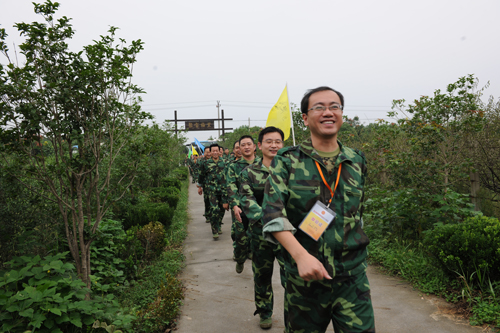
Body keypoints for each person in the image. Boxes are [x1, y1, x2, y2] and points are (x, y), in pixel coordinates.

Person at [261, 87, 375, 333]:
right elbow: (272, 215)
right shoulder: (287, 161)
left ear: (342, 114)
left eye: (335, 106)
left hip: (352, 279)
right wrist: (301, 257)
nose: (328, 112)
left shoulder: (357, 161)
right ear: (304, 118)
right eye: (319, 107)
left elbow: (358, 216)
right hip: (305, 281)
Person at [238, 127, 287, 330]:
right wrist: (269, 222)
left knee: (292, 279)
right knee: (262, 276)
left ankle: (294, 317)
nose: (273, 145)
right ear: (260, 145)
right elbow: (247, 201)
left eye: (277, 141)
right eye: (269, 141)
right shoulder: (248, 172)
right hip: (261, 234)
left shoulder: (290, 170)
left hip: (288, 235)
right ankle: (265, 312)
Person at [227, 135, 260, 272]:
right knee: (240, 238)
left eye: (249, 144)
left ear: (254, 146)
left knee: (258, 238)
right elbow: (231, 186)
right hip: (241, 209)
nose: (246, 147)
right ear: (239, 148)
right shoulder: (234, 167)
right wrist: (234, 205)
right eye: (243, 145)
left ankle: (253, 255)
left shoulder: (263, 164)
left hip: (258, 208)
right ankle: (240, 258)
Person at [197, 144, 229, 239]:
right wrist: (200, 187)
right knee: (214, 210)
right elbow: (201, 176)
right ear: (210, 152)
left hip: (223, 191)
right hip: (211, 191)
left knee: (222, 209)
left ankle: (219, 224)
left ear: (220, 152)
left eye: (217, 150)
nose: (215, 152)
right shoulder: (205, 163)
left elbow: (229, 176)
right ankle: (214, 230)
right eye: (213, 151)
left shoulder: (225, 162)